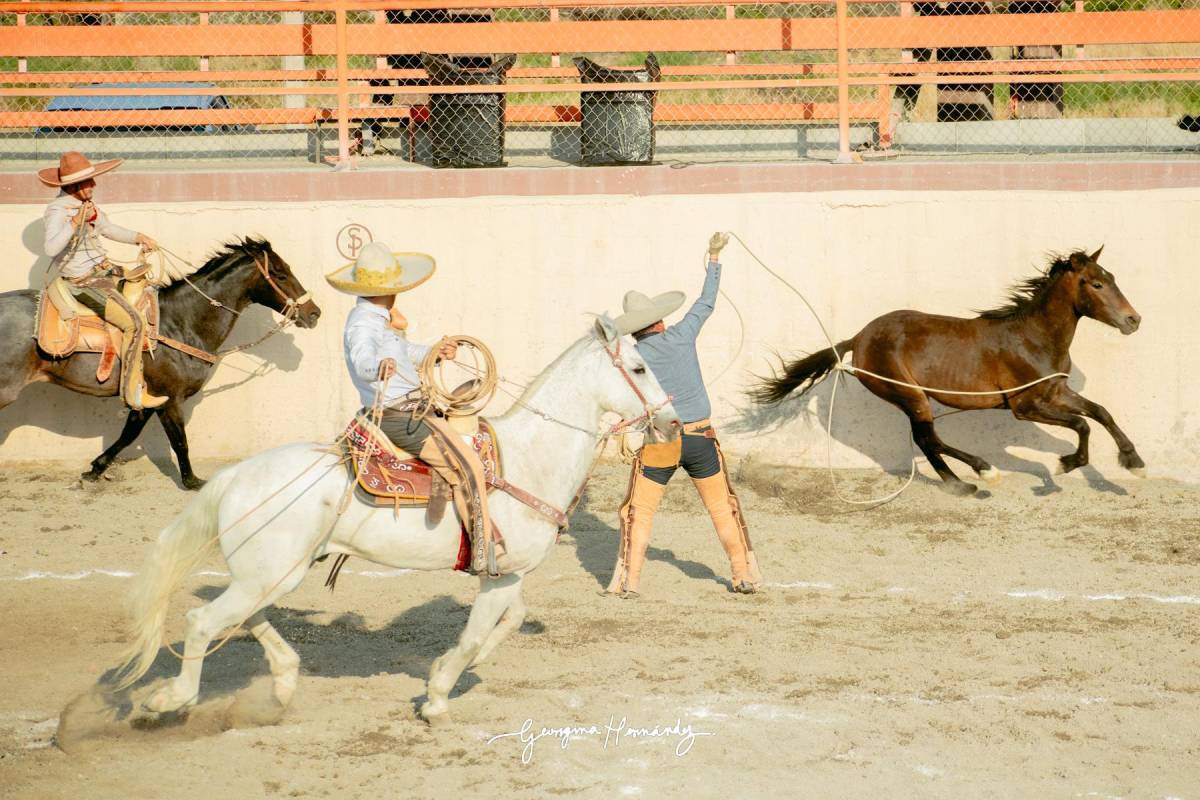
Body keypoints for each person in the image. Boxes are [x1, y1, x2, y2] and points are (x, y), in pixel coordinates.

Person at [606, 233, 763, 597]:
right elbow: (706, 303)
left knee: (638, 512)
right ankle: (744, 575)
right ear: (659, 321)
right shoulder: (681, 336)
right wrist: (714, 257)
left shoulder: (632, 358)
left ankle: (629, 581)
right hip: (700, 438)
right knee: (723, 509)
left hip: (659, 443)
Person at [327, 241, 497, 574]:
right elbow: (363, 359)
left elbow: (404, 356)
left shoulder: (378, 317)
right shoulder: (364, 323)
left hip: (409, 409)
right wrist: (377, 367)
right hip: (397, 416)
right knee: (472, 467)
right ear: (391, 289)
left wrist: (435, 351)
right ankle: (483, 551)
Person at [39, 151, 165, 410]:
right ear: (74, 186)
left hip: (103, 274)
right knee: (132, 323)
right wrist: (74, 222)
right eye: (89, 182)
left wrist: (139, 237)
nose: (94, 186)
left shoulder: (88, 206)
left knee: (146, 294)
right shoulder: (58, 211)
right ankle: (134, 393)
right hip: (82, 283)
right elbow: (51, 248)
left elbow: (107, 229)